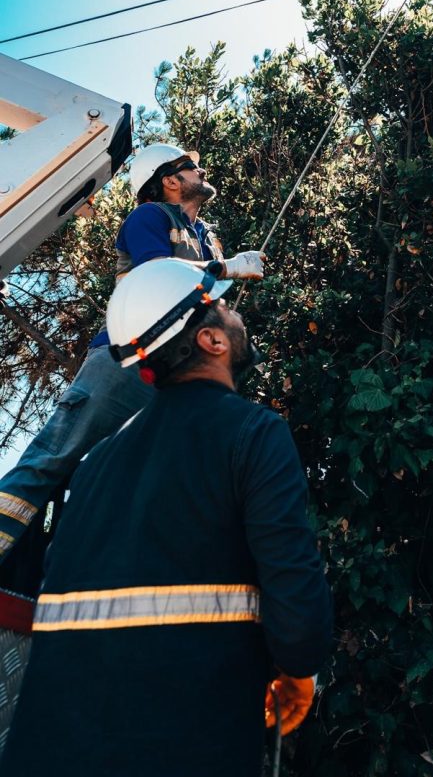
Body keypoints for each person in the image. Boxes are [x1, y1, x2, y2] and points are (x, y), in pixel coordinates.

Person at [0, 257, 333, 776]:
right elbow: (295, 602)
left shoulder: (92, 466)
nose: (233, 312)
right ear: (212, 342)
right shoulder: (253, 434)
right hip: (184, 748)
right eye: (222, 305)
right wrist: (299, 670)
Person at [0, 143, 265, 567]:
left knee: (147, 488)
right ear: (171, 181)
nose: (201, 170)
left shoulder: (204, 237)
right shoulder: (150, 217)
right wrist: (229, 268)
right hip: (125, 361)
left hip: (174, 374)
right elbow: (159, 276)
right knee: (52, 458)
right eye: (192, 167)